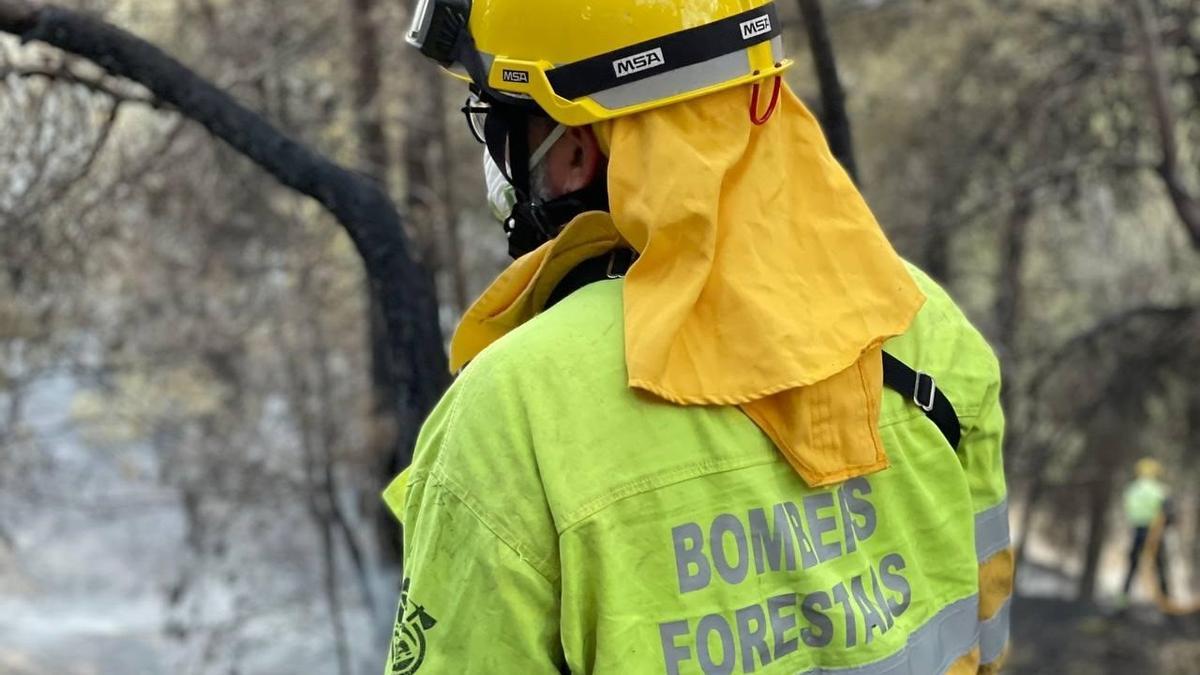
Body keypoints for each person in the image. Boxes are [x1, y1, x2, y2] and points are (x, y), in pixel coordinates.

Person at [384, 1, 1011, 673]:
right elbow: (986, 631)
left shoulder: (511, 412)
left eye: (503, 121)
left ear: (573, 145)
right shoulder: (921, 321)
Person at [1119, 457, 1171, 604]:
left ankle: (1121, 604)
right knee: (1160, 569)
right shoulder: (1159, 490)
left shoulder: (1131, 489)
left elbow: (1127, 509)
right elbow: (1168, 513)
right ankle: (1167, 605)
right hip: (1154, 533)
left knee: (1131, 568)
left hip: (1137, 531)